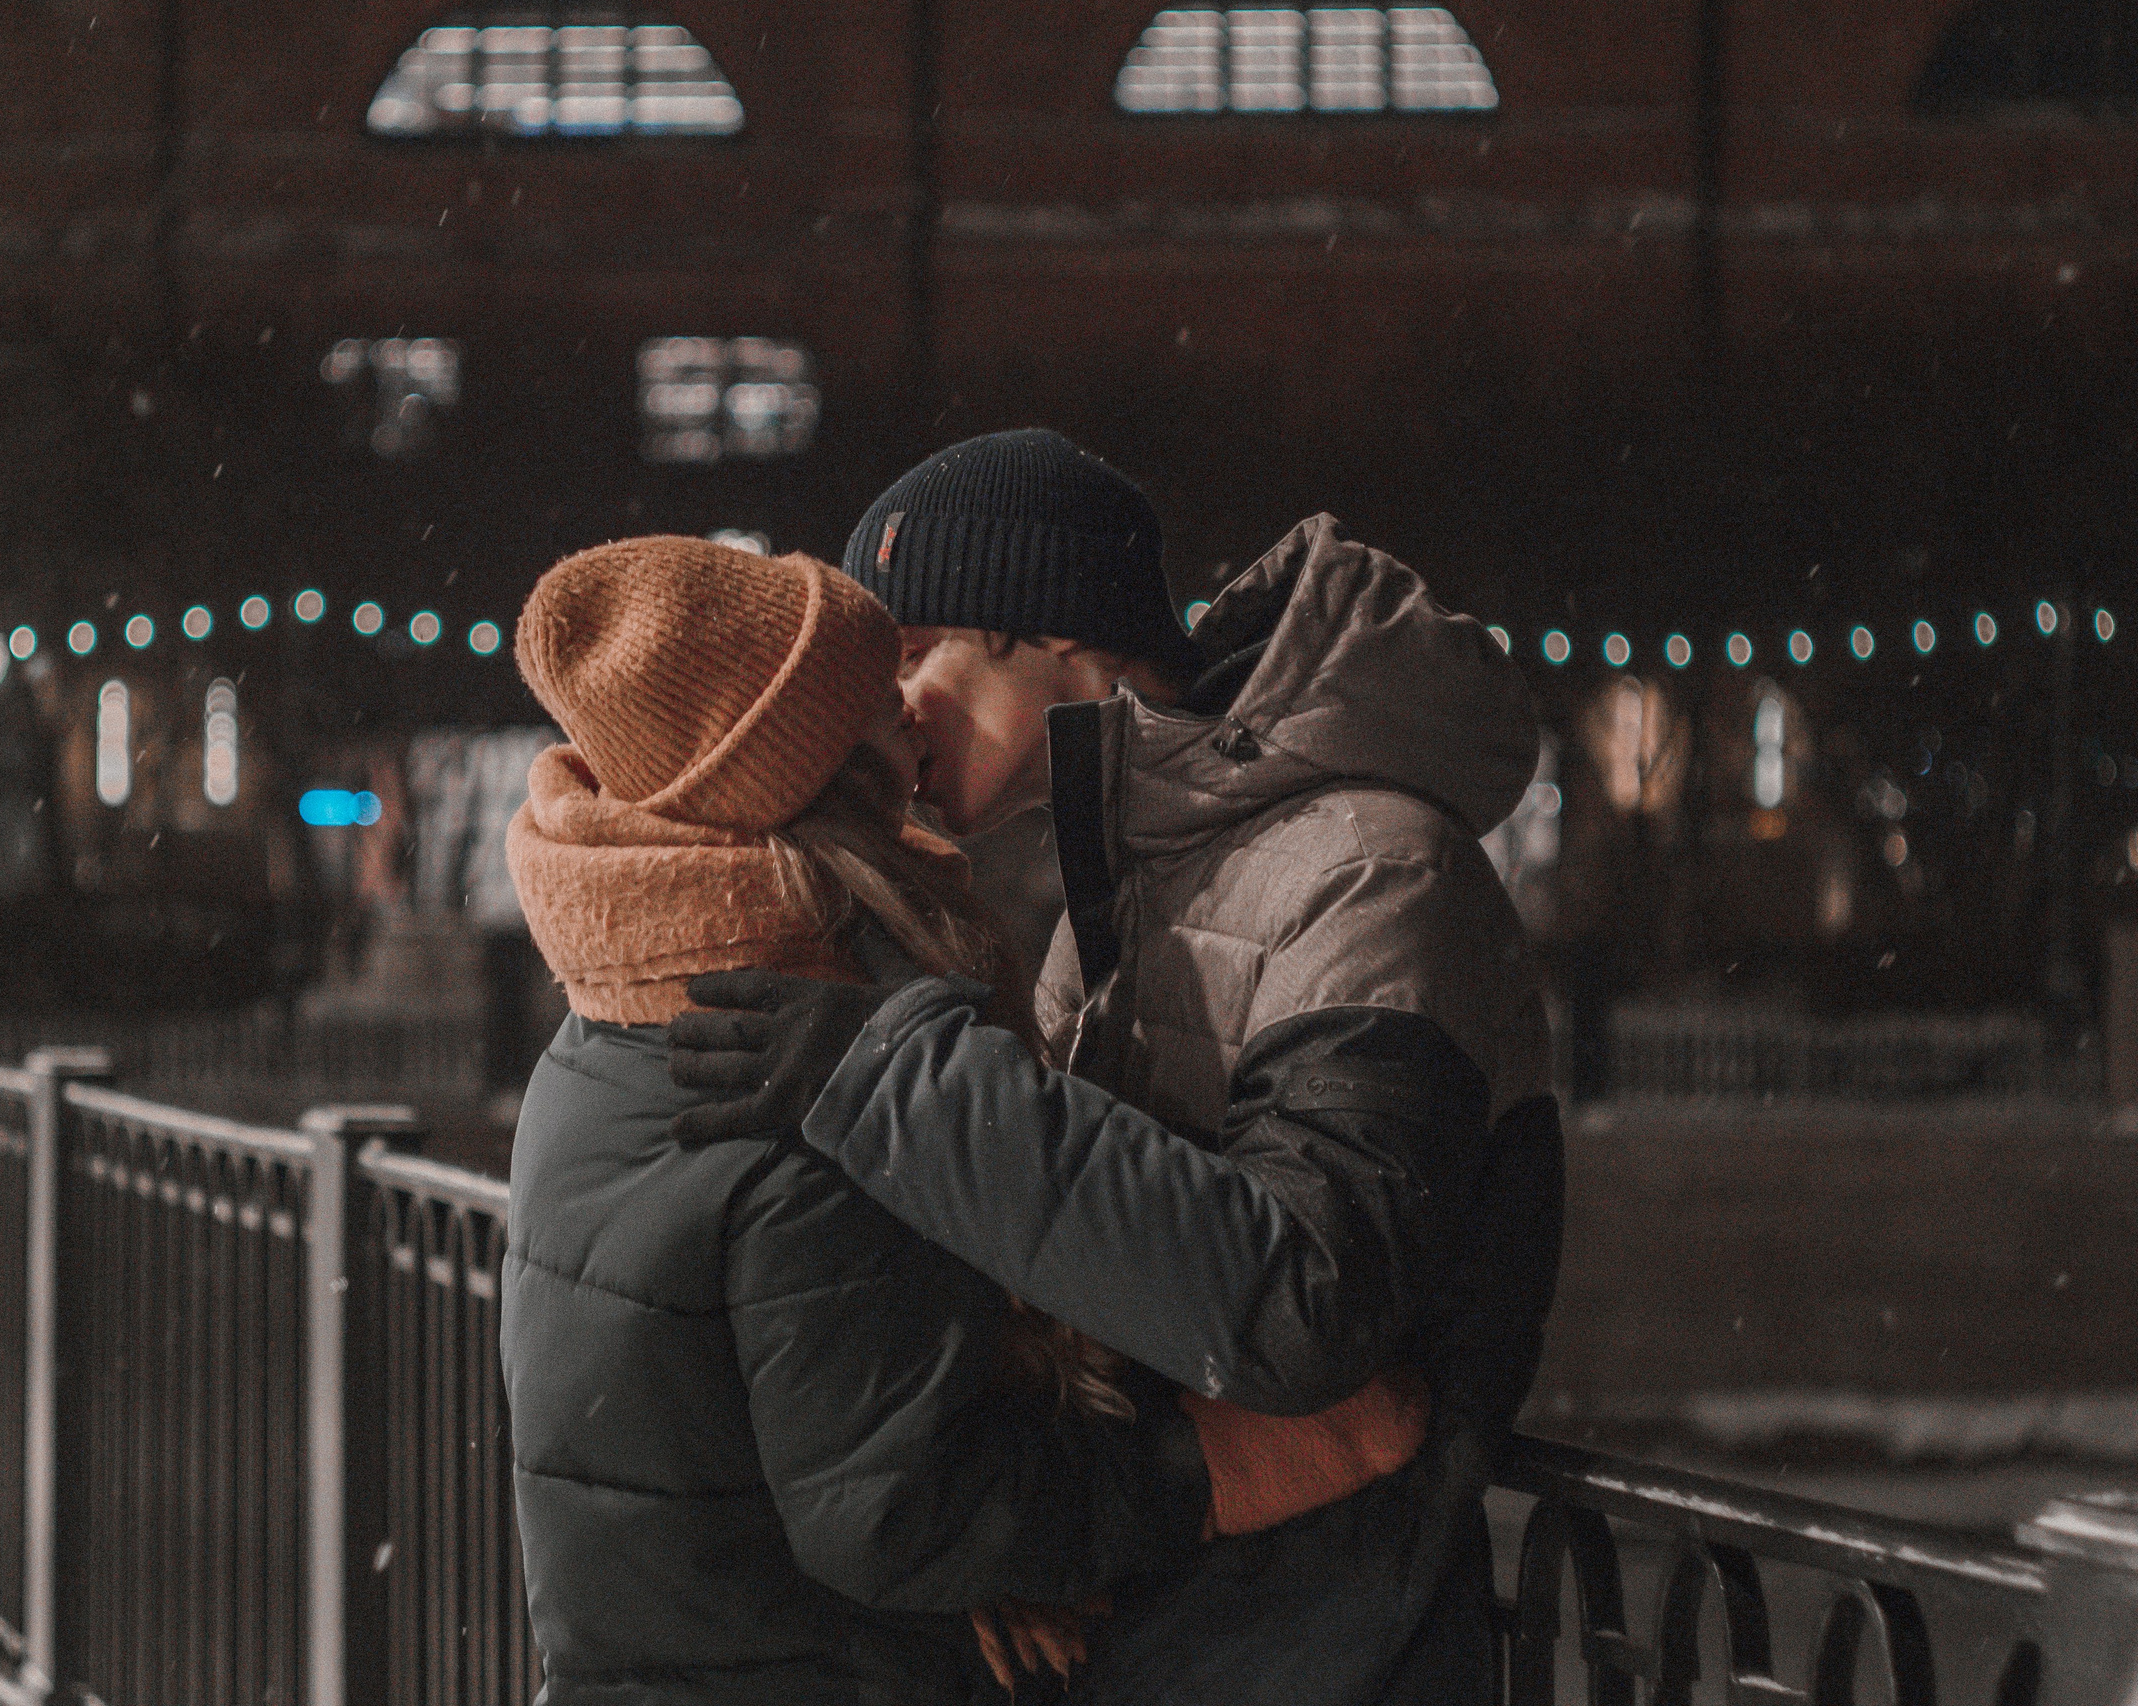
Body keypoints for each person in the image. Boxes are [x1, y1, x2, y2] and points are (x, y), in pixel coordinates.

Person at [668, 432, 1568, 1705]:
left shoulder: (1370, 869)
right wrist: (1019, 1528)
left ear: (1053, 635)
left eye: (917, 653)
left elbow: (1305, 1301)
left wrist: (888, 1090)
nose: (891, 706)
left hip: (1323, 1656)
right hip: (1174, 1633)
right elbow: (1073, 1265)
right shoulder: (1131, 887)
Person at [499, 535, 1433, 1705]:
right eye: (870, 684)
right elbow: (893, 1514)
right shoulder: (803, 1074)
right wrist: (1217, 1467)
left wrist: (995, 1541)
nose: (905, 699)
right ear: (821, 766)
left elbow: (810, 1429)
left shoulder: (612, 1030)